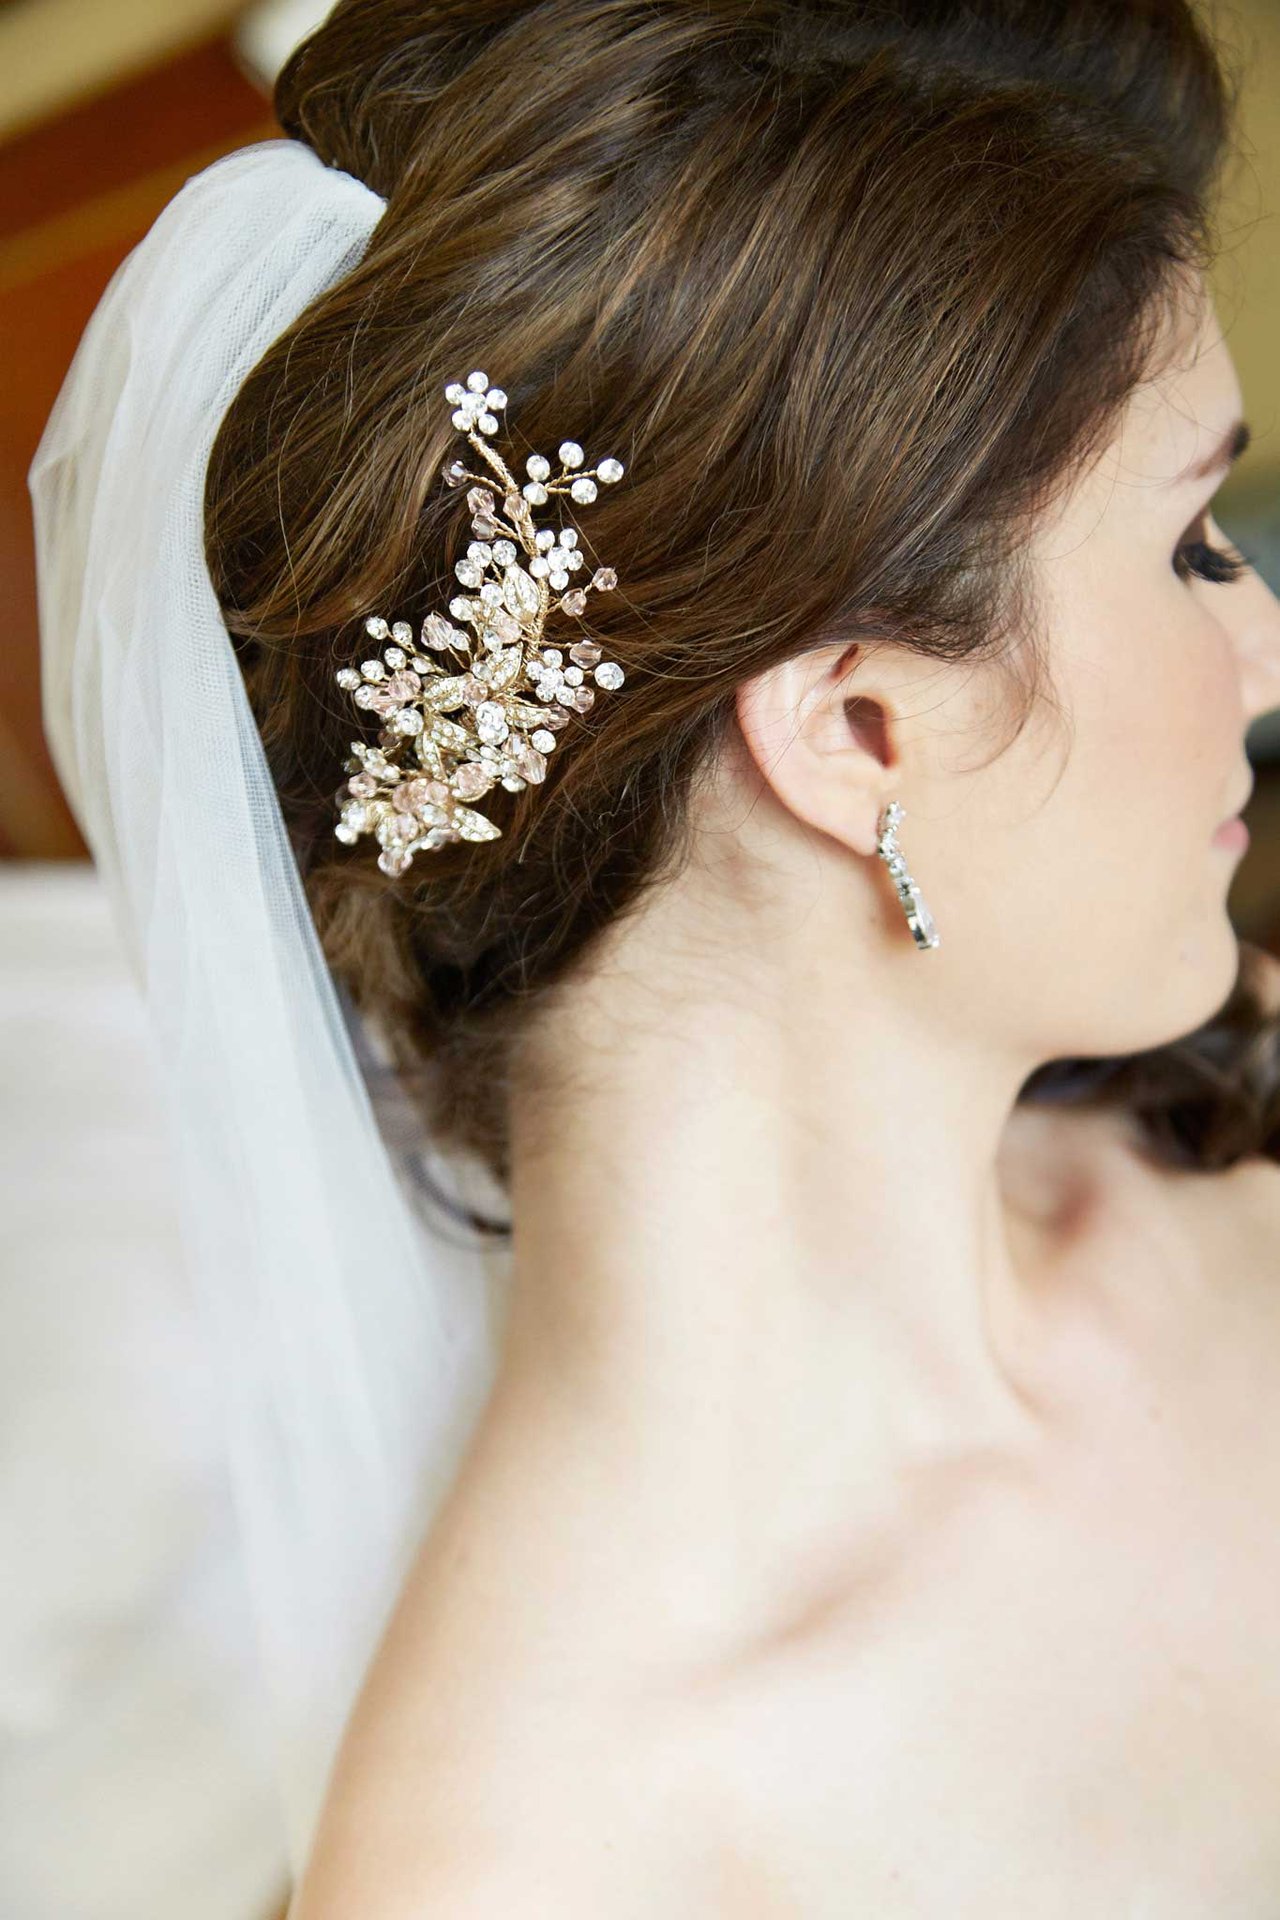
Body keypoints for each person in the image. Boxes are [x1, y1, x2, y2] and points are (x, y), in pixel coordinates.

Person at [32, 0, 1280, 1912]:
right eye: (1196, 546)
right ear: (858, 728)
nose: (1265, 653)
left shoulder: (1223, 1098)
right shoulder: (549, 1864)